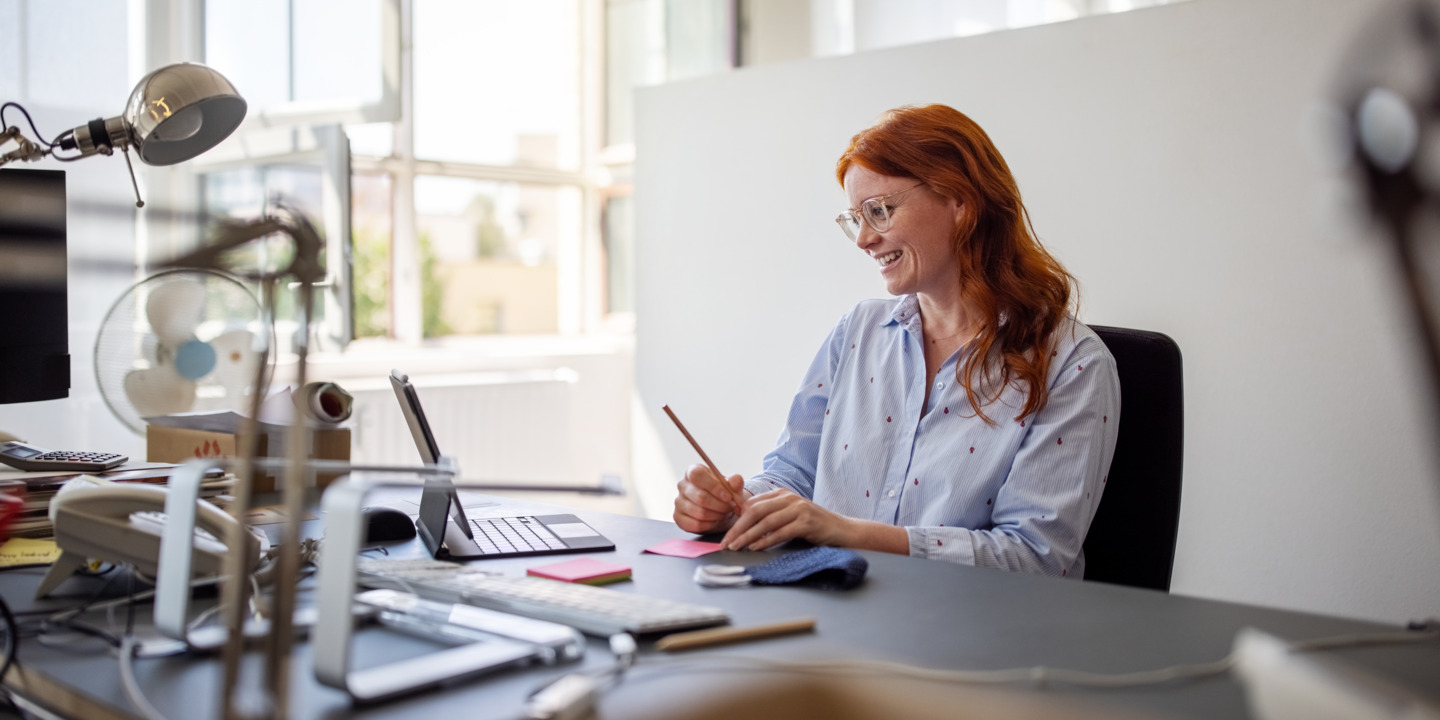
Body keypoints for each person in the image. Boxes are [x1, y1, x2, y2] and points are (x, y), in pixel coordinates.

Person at [672, 104, 1121, 578]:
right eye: (855, 218)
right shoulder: (857, 332)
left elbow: (1032, 558)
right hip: (835, 608)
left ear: (961, 201)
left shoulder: (1072, 364)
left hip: (972, 638)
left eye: (879, 211)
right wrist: (734, 505)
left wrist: (846, 532)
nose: (864, 239)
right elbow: (793, 477)